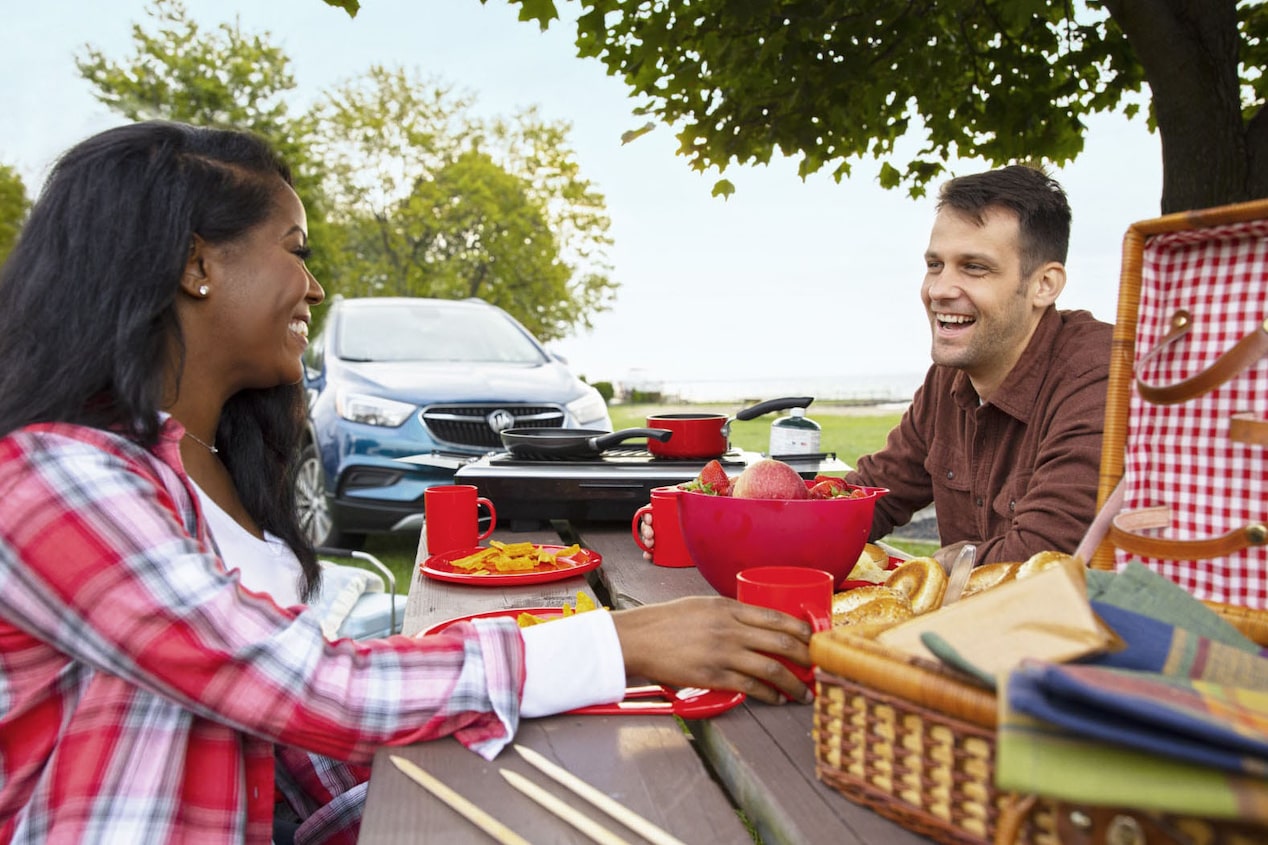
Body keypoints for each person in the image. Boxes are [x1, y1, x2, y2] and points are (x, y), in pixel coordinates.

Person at [0, 121, 815, 845]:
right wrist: (621, 642)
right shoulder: (63, 478)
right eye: (296, 250)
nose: (314, 288)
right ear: (196, 264)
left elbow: (289, 751)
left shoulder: (212, 463)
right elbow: (307, 686)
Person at [643, 165, 1112, 568]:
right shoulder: (949, 380)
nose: (940, 289)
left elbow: (1043, 562)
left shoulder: (1097, 376)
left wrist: (946, 564)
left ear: (1044, 285)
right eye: (935, 265)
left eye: (974, 268)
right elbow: (864, 500)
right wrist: (710, 518)